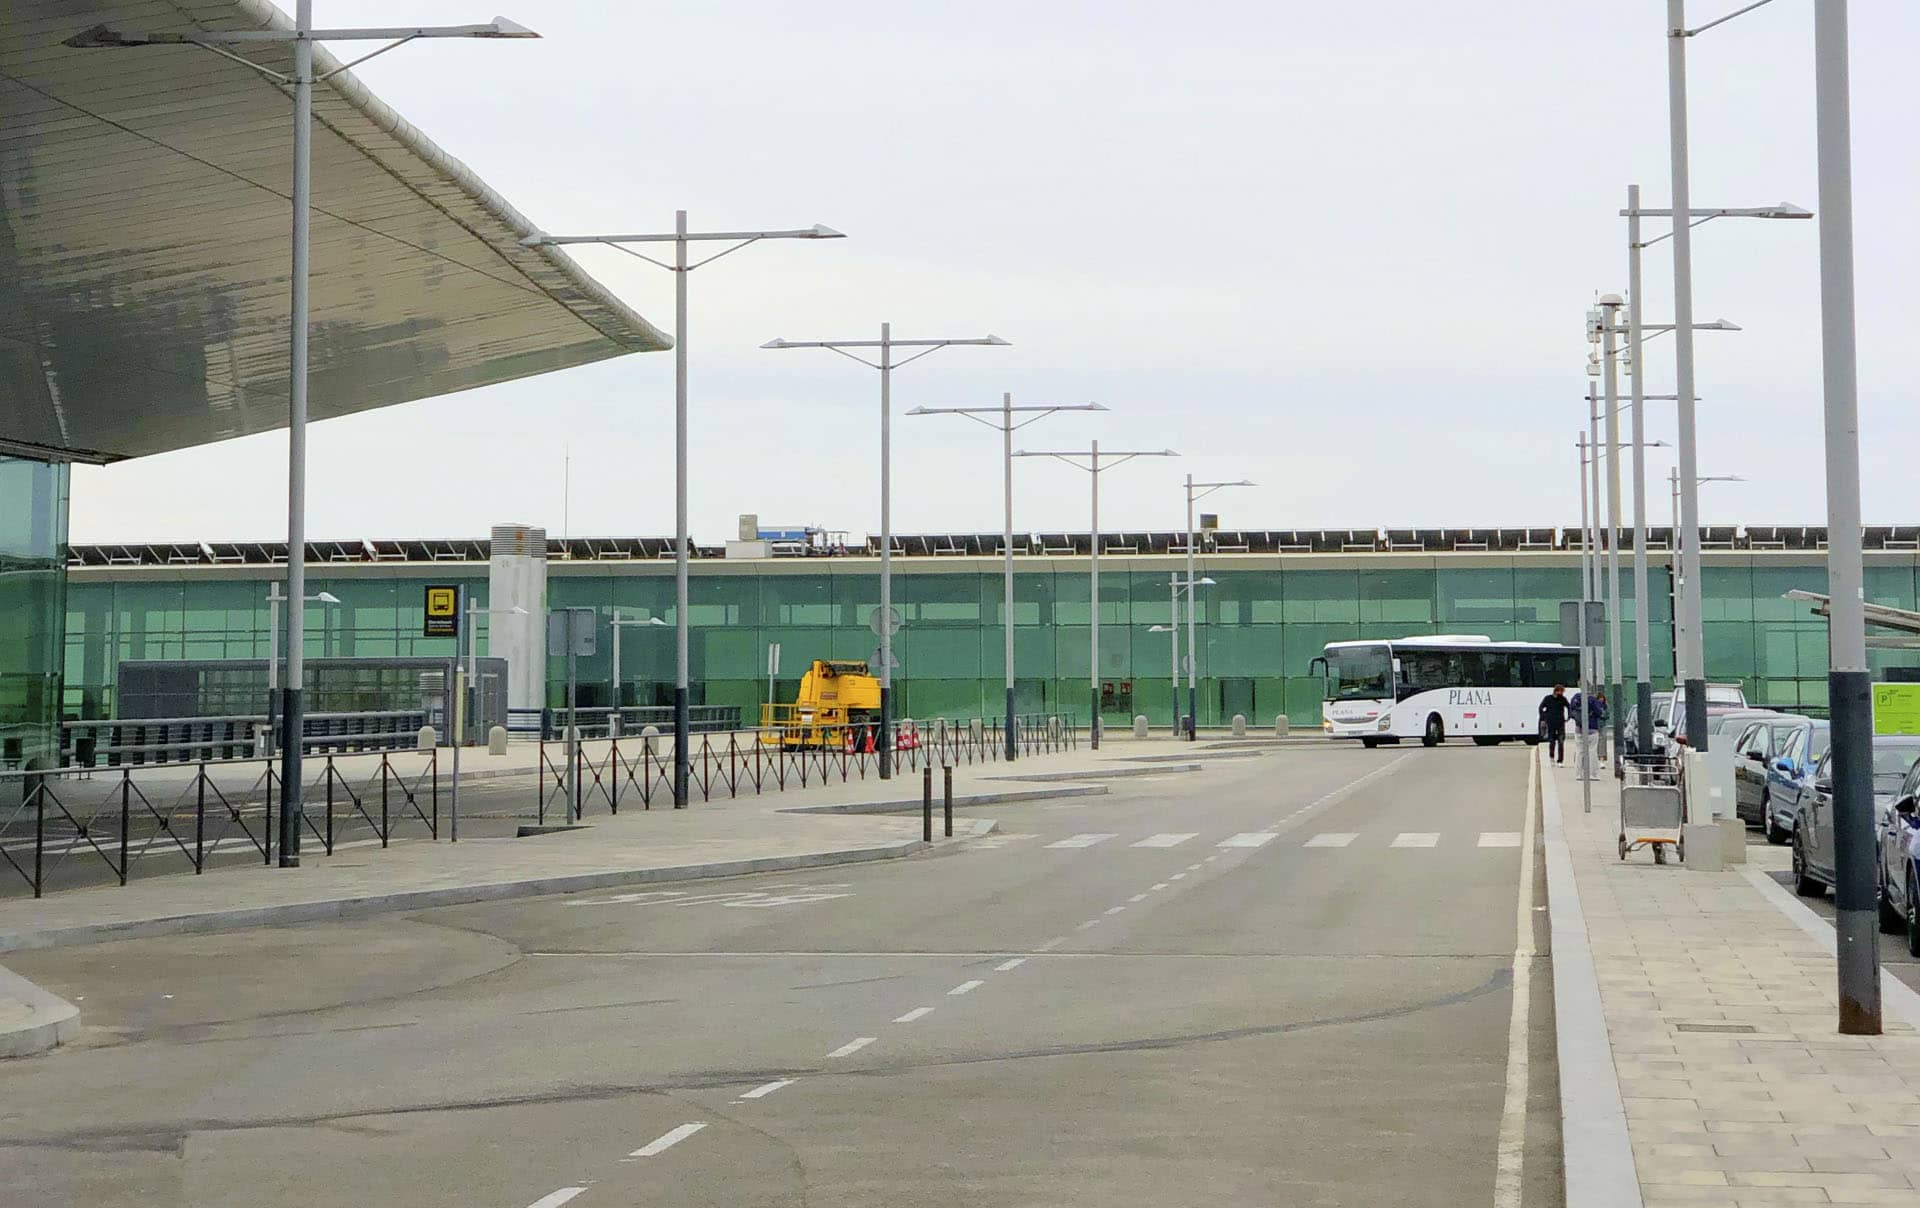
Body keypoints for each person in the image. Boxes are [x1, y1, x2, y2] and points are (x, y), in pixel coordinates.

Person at [1539, 684, 1572, 764]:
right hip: (1551, 722)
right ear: (1556, 691)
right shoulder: (1548, 698)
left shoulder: (1563, 699)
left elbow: (1568, 706)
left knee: (1561, 741)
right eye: (1561, 692)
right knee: (1552, 741)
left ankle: (1560, 760)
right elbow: (1541, 707)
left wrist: (1569, 716)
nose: (1561, 693)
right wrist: (1544, 717)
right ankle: (1552, 757)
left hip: (1560, 722)